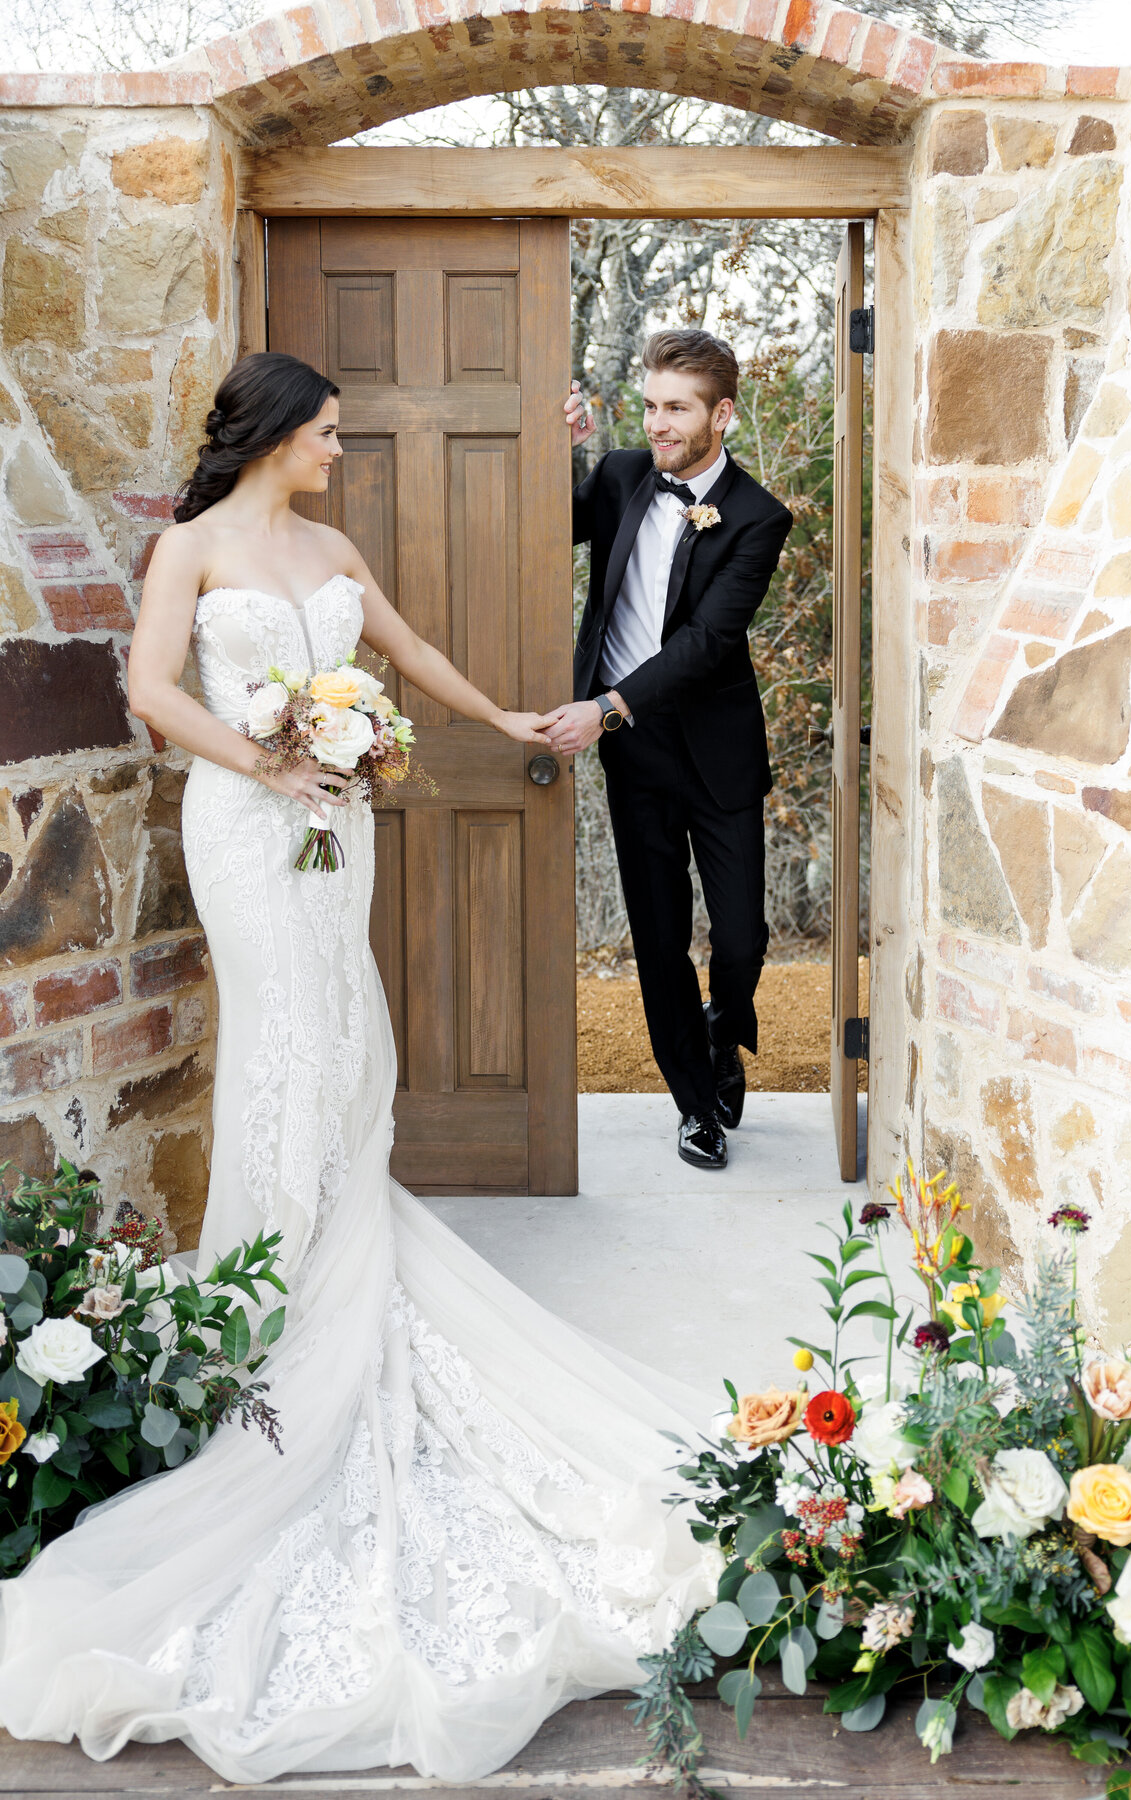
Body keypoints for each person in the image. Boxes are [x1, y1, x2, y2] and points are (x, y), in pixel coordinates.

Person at [0, 352, 715, 1785]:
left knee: (346, 1035)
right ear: (274, 431)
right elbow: (150, 688)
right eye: (328, 432)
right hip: (250, 824)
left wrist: (498, 717)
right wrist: (267, 764)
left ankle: (339, 1249)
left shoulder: (332, 547)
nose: (340, 449)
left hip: (340, 827)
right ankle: (277, 1291)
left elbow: (403, 653)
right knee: (286, 1042)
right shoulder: (193, 549)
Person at [544, 332, 793, 1172]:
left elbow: (710, 642)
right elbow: (538, 529)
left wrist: (603, 710)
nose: (658, 423)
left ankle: (725, 1039)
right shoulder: (617, 478)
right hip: (636, 759)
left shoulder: (759, 516)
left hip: (716, 753)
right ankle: (695, 1104)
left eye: (677, 408)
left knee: (743, 940)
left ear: (721, 413)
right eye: (650, 405)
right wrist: (556, 449)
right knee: (658, 937)